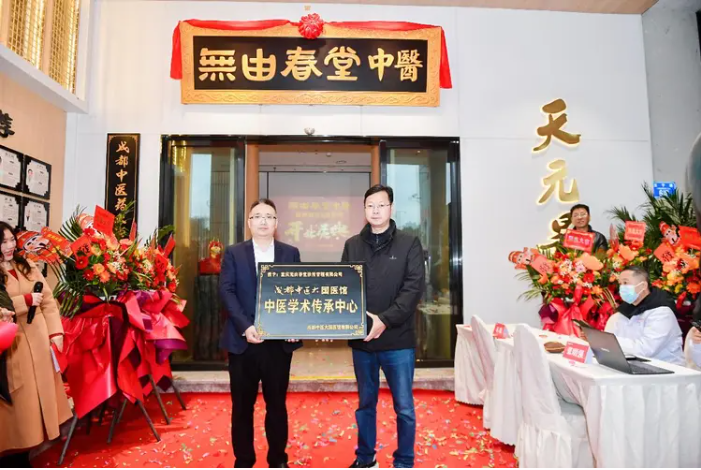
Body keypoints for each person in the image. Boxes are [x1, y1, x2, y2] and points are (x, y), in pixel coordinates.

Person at [341, 185, 425, 469]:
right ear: (364, 210)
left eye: (381, 205)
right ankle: (366, 458)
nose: (375, 211)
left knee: (404, 407)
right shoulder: (352, 245)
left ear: (391, 208)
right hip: (363, 341)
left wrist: (384, 320)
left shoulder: (409, 243)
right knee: (365, 404)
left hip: (397, 340)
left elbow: (413, 289)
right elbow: (345, 288)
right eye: (370, 206)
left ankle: (404, 461)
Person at [219, 199, 301, 468]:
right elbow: (227, 292)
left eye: (269, 216)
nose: (263, 221)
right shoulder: (233, 253)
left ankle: (278, 459)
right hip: (242, 342)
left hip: (277, 344)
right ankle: (244, 460)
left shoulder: (290, 253)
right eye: (257, 216)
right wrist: (246, 326)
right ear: (249, 222)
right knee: (242, 407)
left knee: (276, 405)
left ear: (276, 223)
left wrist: (294, 327)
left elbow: (299, 293)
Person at [0, 221, 71, 467]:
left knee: (41, 396)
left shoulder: (26, 264)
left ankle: (33, 446)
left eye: (12, 240)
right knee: (20, 402)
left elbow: (48, 301)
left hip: (38, 340)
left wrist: (55, 332)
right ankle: (16, 454)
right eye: (3, 241)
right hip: (12, 343)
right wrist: (25, 301)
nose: (9, 246)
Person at [604, 265, 684, 365]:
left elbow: (645, 349)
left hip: (666, 368)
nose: (622, 288)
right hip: (630, 366)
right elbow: (608, 342)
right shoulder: (620, 314)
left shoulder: (662, 313)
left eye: (625, 283)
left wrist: (609, 342)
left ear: (643, 286)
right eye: (620, 284)